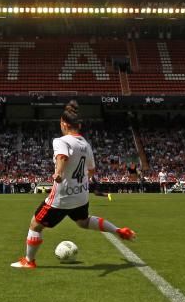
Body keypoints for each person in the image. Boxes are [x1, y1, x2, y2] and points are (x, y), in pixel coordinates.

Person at [11, 101, 136, 269]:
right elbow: (91, 171)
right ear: (79, 125)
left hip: (62, 197)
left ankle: (29, 261)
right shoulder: (86, 144)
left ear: (64, 124)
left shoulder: (61, 141)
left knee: (35, 224)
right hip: (81, 195)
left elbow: (62, 157)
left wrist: (59, 173)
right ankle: (118, 230)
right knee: (83, 222)